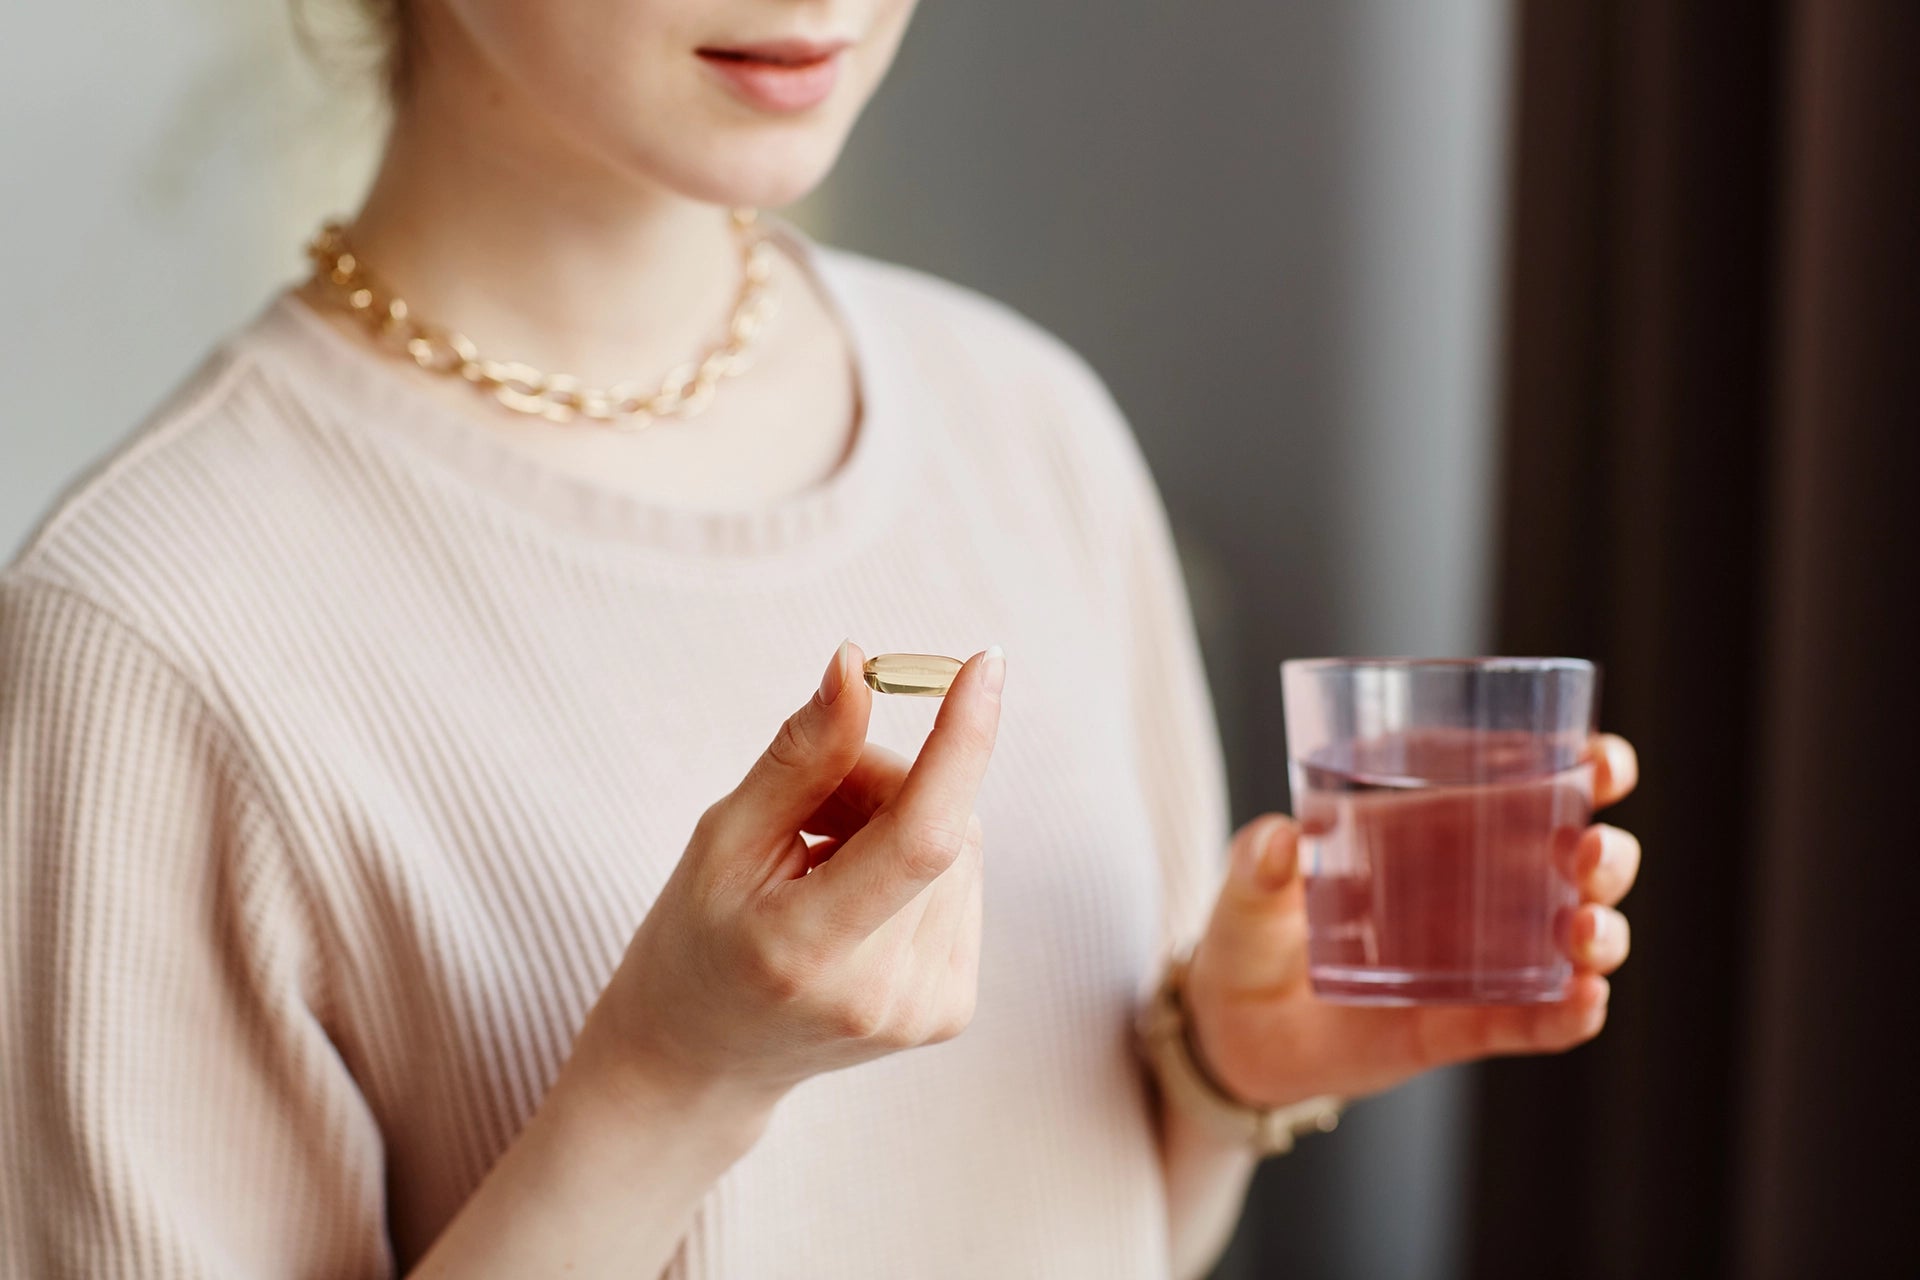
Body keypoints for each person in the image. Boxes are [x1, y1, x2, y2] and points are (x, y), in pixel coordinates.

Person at [0, 1, 1643, 1276]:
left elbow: (1105, 1232)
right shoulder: (148, 629)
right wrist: (669, 1077)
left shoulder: (1028, 424)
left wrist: (1218, 1072)